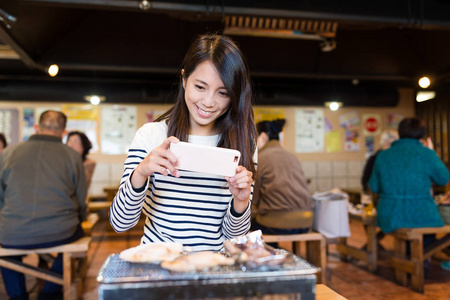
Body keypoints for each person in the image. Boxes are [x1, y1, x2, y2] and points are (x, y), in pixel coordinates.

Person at [109, 34, 257, 252]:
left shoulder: (243, 143)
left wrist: (241, 202)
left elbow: (234, 237)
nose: (208, 102)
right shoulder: (151, 136)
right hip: (159, 267)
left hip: (213, 268)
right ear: (184, 79)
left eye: (223, 92)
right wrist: (140, 172)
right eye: (200, 87)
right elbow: (120, 223)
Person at [0, 110, 87, 300]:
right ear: (64, 132)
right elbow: (81, 199)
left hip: (11, 233)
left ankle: (17, 296)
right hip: (60, 231)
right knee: (78, 233)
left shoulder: (7, 153)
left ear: (37, 127)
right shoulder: (72, 156)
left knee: (5, 252)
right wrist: (82, 218)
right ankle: (49, 292)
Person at [369, 117, 449, 276]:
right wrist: (433, 153)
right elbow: (443, 179)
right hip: (421, 213)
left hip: (390, 213)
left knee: (409, 224)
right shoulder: (427, 154)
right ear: (422, 134)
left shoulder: (383, 156)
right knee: (427, 228)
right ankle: (421, 259)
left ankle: (410, 260)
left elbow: (374, 186)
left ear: (400, 133)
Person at [251, 119, 314, 246]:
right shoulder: (291, 156)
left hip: (277, 223)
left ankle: (270, 260)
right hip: (306, 221)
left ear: (263, 136)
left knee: (246, 227)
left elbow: (254, 198)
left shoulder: (261, 157)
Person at [361, 129, 399, 194]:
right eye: (388, 144)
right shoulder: (374, 159)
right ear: (382, 145)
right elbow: (365, 180)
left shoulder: (398, 160)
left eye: (393, 145)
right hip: (378, 197)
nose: (390, 148)